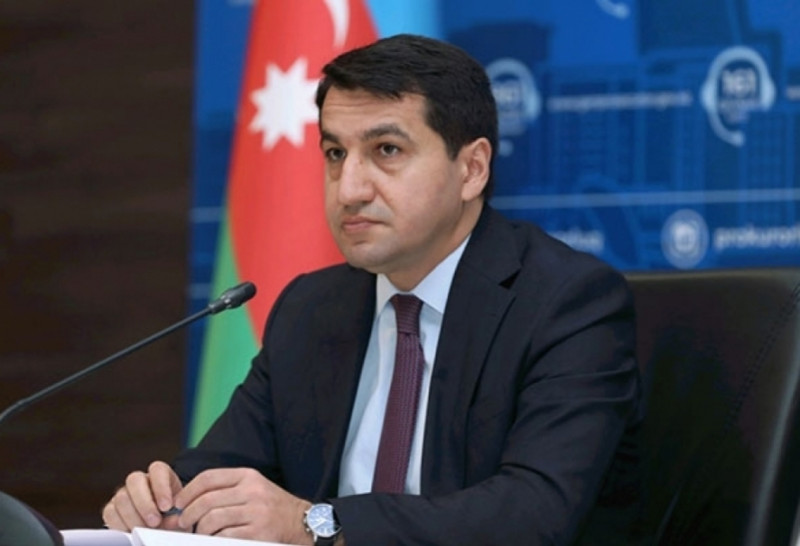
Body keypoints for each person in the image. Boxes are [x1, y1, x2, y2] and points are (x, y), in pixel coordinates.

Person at [102, 34, 643, 545]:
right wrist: (165, 498)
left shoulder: (566, 304)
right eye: (335, 154)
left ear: (472, 169)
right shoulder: (312, 308)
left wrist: (316, 525)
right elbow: (225, 464)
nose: (350, 190)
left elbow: (534, 513)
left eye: (386, 150)